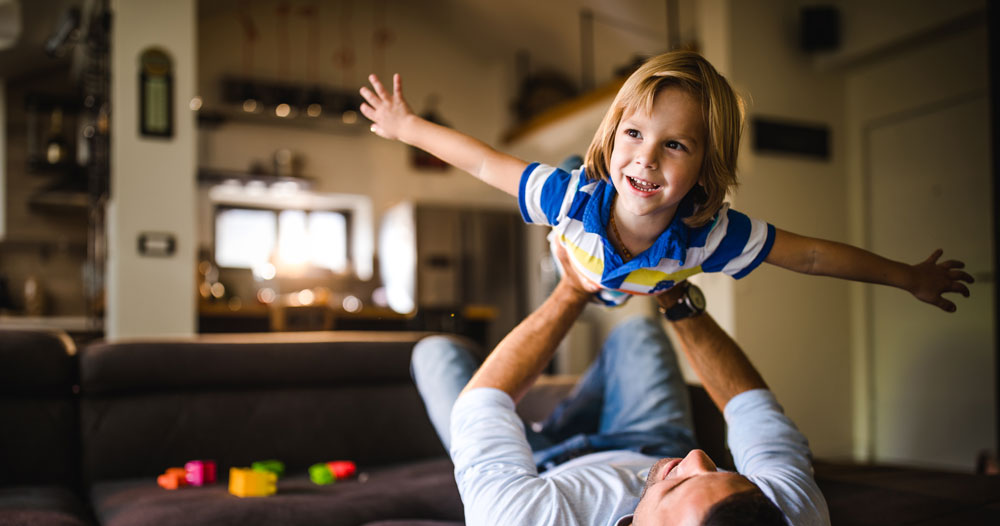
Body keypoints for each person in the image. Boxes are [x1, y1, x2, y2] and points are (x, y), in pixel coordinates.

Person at [410, 244, 832, 526]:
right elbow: (753, 410)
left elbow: (481, 404)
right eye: (723, 473)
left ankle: (544, 426)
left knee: (435, 352)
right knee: (638, 331)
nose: (698, 455)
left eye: (679, 487)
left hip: (541, 472)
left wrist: (573, 289)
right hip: (649, 439)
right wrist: (673, 290)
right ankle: (569, 416)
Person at [360, 50, 973, 308]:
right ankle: (587, 272)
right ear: (613, 135)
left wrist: (905, 276)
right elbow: (483, 162)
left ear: (705, 166)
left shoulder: (716, 235)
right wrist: (406, 125)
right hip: (580, 253)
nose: (646, 159)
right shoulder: (570, 197)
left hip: (649, 279)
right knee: (570, 249)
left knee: (658, 295)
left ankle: (649, 289)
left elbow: (810, 255)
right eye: (634, 135)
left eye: (674, 145)